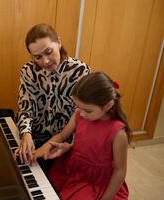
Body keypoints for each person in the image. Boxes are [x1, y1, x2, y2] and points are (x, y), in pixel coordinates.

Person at [34, 71, 132, 200]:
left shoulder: (118, 133)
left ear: (108, 105)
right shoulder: (79, 114)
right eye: (79, 107)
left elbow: (120, 171)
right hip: (73, 168)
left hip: (95, 181)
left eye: (88, 110)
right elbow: (62, 135)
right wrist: (41, 149)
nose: (82, 113)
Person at [15, 23, 90, 171]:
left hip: (64, 143)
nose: (45, 61)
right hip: (35, 137)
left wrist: (69, 143)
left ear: (59, 43)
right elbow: (25, 106)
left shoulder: (80, 70)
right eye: (37, 57)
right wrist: (26, 133)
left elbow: (82, 115)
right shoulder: (28, 71)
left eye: (49, 52)